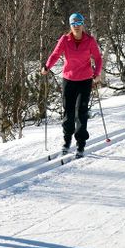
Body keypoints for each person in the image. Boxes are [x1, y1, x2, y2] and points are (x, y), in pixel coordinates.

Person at [41, 12, 103, 158]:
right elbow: (55, 55)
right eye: (73, 24)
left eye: (78, 23)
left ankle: (80, 144)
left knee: (81, 112)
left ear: (82, 24)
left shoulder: (89, 40)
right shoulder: (65, 39)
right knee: (68, 112)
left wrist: (97, 72)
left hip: (85, 79)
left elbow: (98, 58)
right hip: (69, 80)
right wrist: (47, 66)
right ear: (70, 25)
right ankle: (67, 141)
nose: (76, 26)